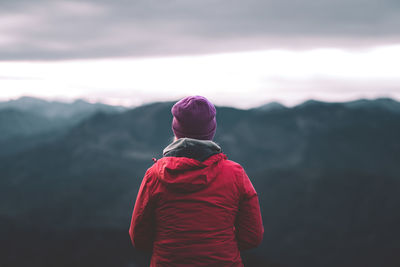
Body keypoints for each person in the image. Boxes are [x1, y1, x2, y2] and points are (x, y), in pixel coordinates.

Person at [129, 95, 264, 266]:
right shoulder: (235, 174)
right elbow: (252, 238)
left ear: (175, 130)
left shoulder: (154, 175)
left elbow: (139, 239)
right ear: (211, 130)